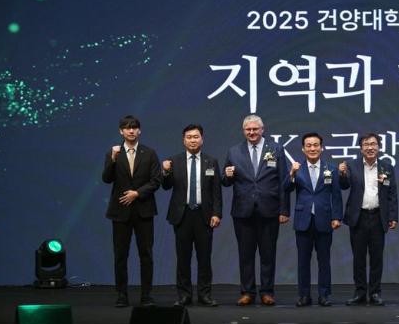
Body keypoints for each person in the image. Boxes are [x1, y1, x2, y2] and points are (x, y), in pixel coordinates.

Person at [221, 114, 290, 306]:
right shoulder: (234, 151)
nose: (251, 132)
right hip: (243, 211)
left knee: (268, 254)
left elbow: (284, 181)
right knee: (245, 254)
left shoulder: (276, 149)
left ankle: (267, 292)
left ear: (262, 129)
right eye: (248, 129)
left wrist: (284, 210)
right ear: (243, 131)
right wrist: (227, 175)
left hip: (269, 210)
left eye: (255, 129)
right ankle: (247, 292)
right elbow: (226, 181)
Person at [102, 115, 161, 307]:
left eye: (134, 127)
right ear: (121, 131)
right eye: (127, 128)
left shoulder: (149, 153)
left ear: (139, 130)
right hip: (120, 211)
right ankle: (122, 295)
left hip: (144, 211)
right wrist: (112, 160)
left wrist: (137, 193)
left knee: (146, 255)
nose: (131, 131)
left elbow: (156, 181)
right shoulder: (114, 153)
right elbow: (106, 179)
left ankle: (146, 295)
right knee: (120, 255)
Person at [161, 124, 222, 307]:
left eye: (196, 137)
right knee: (183, 258)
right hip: (182, 215)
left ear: (202, 139)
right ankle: (184, 295)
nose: (193, 140)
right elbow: (166, 186)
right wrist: (165, 171)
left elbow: (216, 191)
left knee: (205, 259)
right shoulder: (174, 161)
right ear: (183, 140)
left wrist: (217, 213)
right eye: (189, 137)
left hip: (204, 216)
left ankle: (205, 295)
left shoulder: (211, 161)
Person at [338, 133, 398, 306]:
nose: (370, 147)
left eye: (373, 144)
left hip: (378, 216)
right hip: (359, 217)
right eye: (366, 144)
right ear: (361, 148)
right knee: (358, 258)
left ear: (379, 147)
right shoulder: (351, 165)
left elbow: (392, 193)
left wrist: (393, 216)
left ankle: (375, 293)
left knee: (377, 258)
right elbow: (344, 186)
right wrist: (342, 174)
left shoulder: (387, 166)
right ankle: (360, 293)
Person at [287, 132, 343, 307]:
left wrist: (337, 217)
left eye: (316, 145)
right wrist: (291, 174)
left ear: (321, 148)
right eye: (309, 145)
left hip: (324, 219)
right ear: (303, 149)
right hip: (303, 220)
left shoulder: (331, 168)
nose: (313, 148)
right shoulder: (297, 168)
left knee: (324, 261)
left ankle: (324, 295)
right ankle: (304, 295)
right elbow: (286, 188)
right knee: (303, 261)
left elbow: (336, 195)